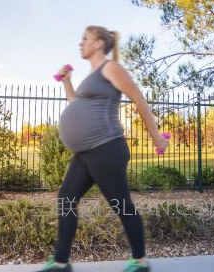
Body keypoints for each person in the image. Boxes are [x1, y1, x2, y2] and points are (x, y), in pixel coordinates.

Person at [34, 25, 169, 272]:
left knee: (121, 204)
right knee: (66, 199)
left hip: (106, 147)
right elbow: (77, 105)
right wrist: (67, 82)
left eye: (85, 39)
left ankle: (139, 261)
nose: (80, 43)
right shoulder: (91, 76)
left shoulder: (111, 68)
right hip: (86, 152)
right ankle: (61, 262)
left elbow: (138, 98)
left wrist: (156, 136)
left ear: (98, 43)